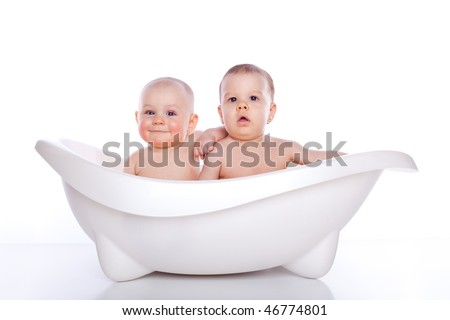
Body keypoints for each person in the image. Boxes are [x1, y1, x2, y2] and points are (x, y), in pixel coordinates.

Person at [199, 64, 345, 180]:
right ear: (221, 114)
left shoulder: (285, 149)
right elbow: (199, 195)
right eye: (232, 99)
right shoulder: (218, 154)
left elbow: (321, 158)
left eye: (253, 98)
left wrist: (354, 159)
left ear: (270, 112)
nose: (242, 105)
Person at [124, 77, 225, 180]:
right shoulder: (134, 160)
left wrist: (210, 135)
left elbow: (227, 131)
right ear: (138, 119)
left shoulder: (192, 143)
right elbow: (124, 191)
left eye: (170, 113)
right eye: (150, 112)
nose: (158, 120)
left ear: (191, 123)